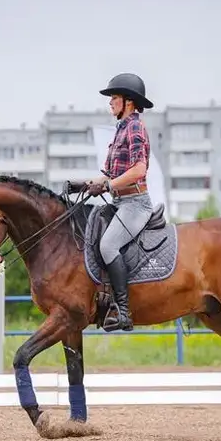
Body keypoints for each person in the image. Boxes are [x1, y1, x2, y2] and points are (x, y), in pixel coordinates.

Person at [84, 72, 155, 332]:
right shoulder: (120, 129)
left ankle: (123, 312)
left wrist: (110, 185)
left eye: (114, 97)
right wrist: (84, 185)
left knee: (108, 246)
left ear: (129, 102)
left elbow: (139, 169)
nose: (110, 102)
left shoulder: (135, 126)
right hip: (119, 203)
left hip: (136, 204)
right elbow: (107, 173)